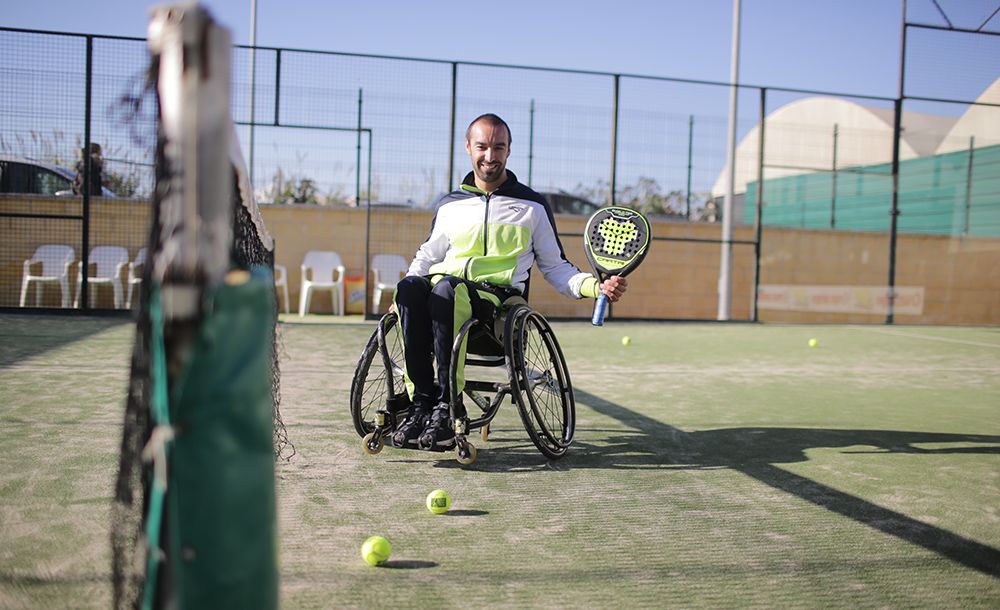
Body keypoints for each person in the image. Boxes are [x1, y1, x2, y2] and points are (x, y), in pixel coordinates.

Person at [391, 113, 627, 450]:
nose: (490, 156)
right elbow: (427, 256)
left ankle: (447, 406)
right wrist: (401, 296)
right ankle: (421, 404)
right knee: (410, 288)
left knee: (446, 289)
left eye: (498, 147)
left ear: (509, 150)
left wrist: (595, 287)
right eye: (482, 147)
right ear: (468, 147)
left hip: (496, 307)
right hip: (445, 295)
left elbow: (556, 267)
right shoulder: (449, 205)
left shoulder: (532, 206)